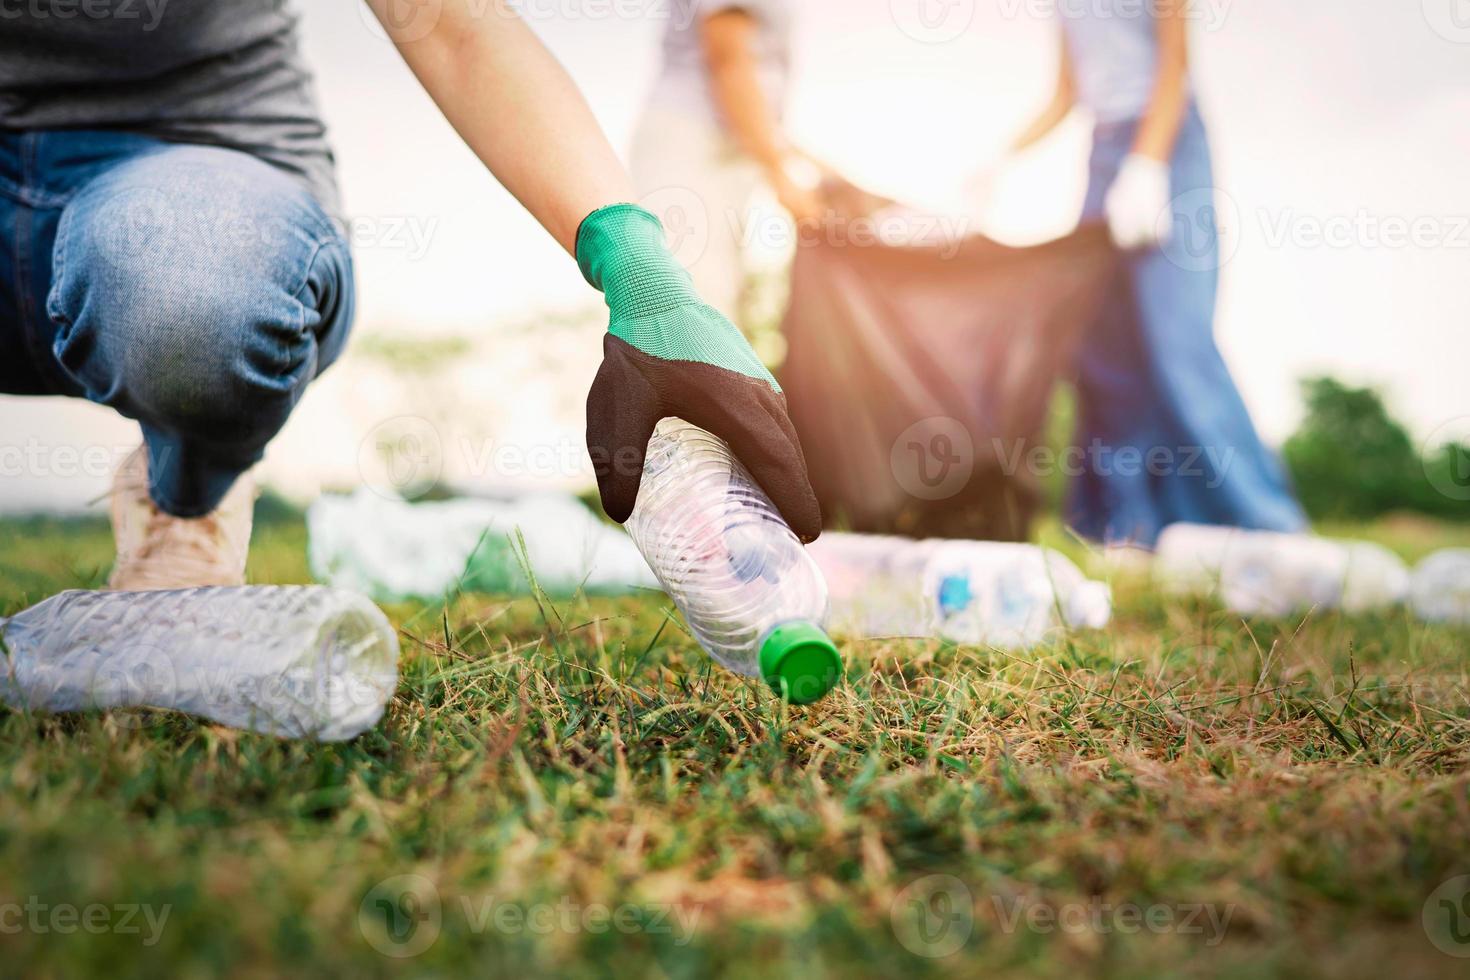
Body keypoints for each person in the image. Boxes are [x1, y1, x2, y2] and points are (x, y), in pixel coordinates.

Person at [0, 0, 820, 590]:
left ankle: (187, 493)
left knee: (184, 298)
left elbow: (458, 28)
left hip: (195, 175)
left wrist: (645, 275)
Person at [1008, 0, 1306, 548]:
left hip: (1167, 140)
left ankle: (1269, 523)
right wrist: (1003, 158)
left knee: (1176, 340)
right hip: (1103, 149)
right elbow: (1067, 91)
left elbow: (1173, 66)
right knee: (1101, 348)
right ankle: (1125, 527)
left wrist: (1147, 165)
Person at [630, 0, 830, 321]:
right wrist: (778, 171)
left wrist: (822, 171)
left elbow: (761, 106)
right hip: (692, 139)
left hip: (731, 148)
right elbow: (728, 61)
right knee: (694, 289)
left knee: (721, 293)